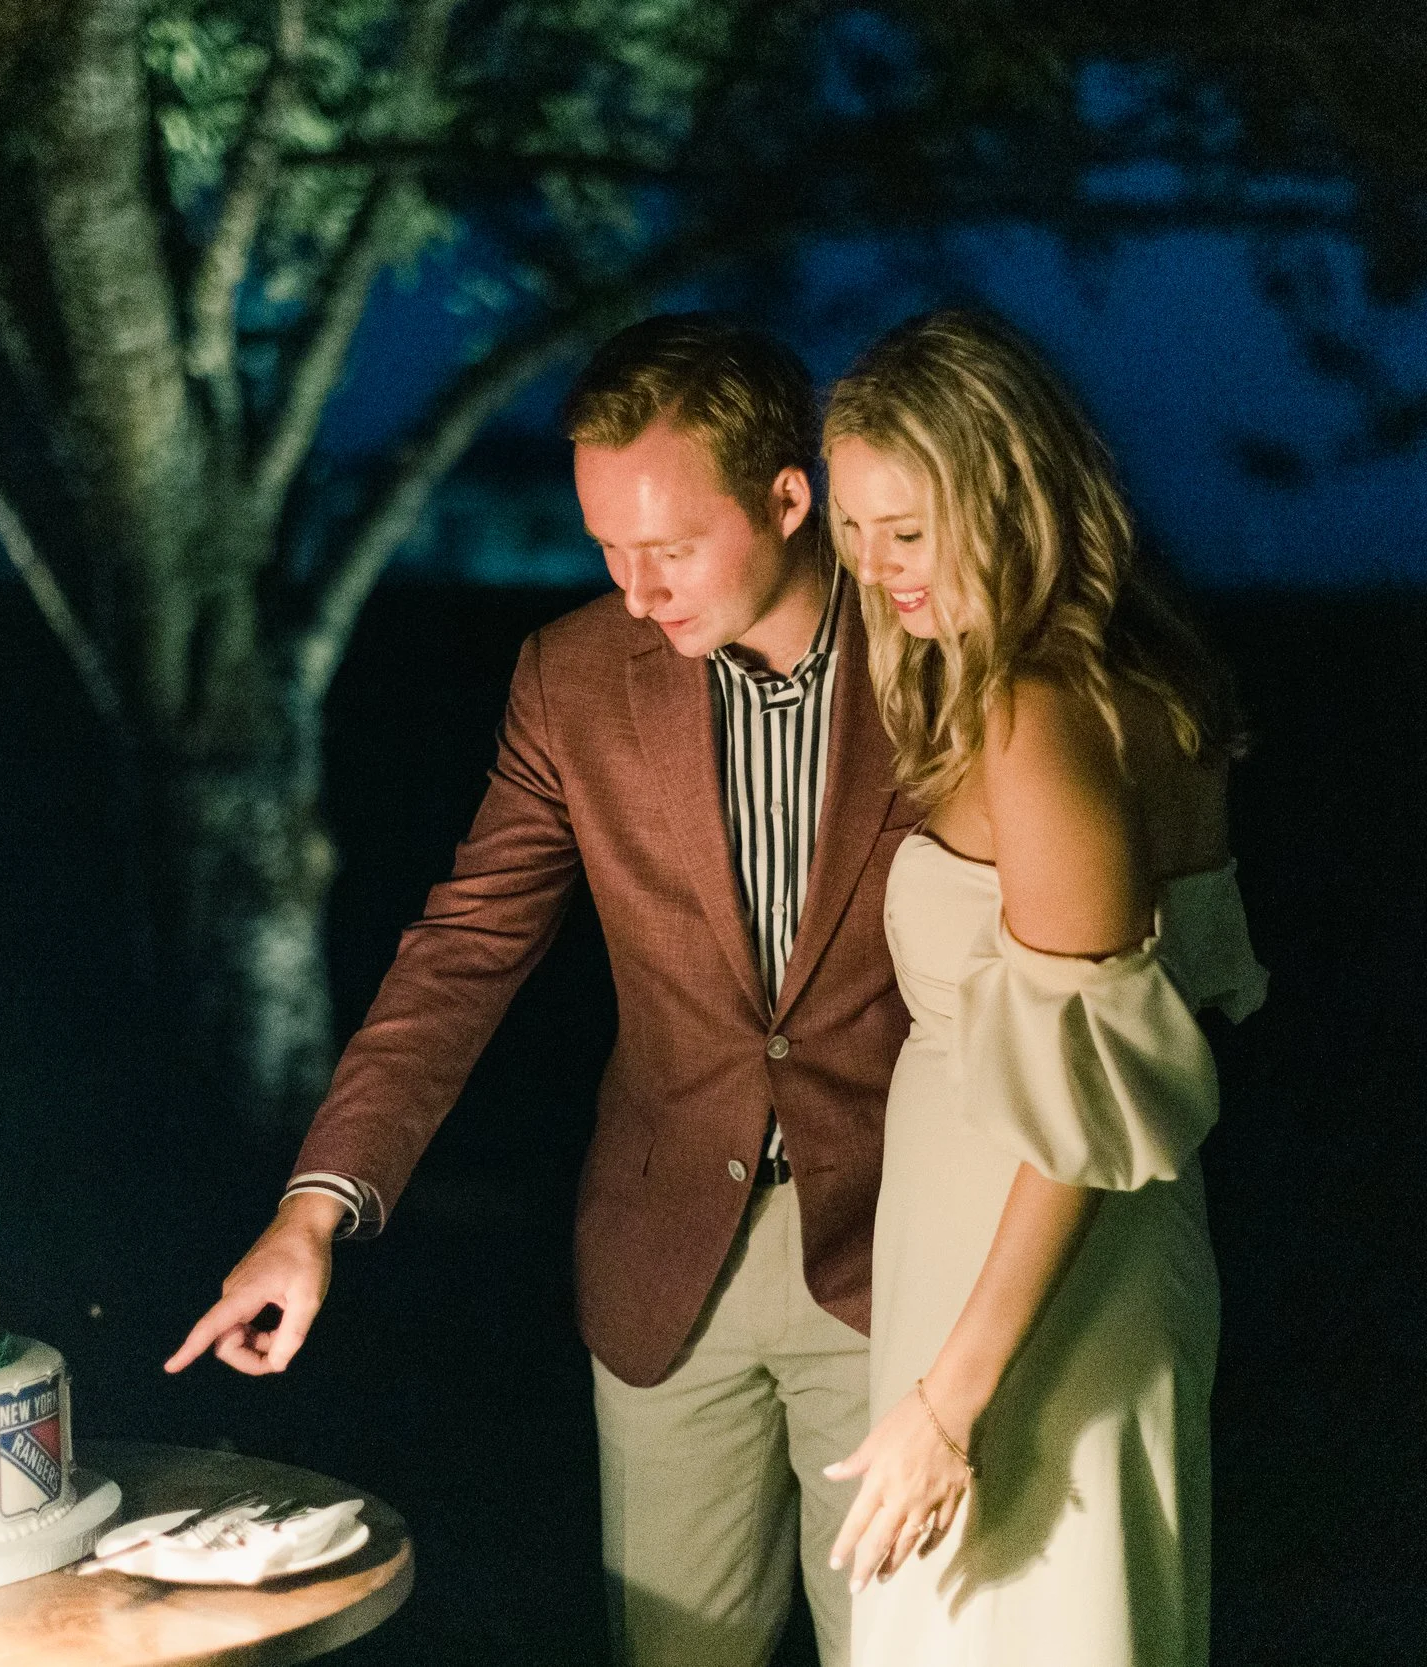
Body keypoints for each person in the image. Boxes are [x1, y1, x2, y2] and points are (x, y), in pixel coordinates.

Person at [166, 314, 924, 1667]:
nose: (635, 592)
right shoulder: (571, 680)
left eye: (670, 549)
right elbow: (463, 950)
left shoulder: (935, 650)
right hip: (663, 1269)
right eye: (607, 549)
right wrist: (314, 1208)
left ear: (788, 497)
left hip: (903, 1255)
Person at [817, 308, 1267, 1665]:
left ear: (1010, 499)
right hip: (982, 1260)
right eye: (851, 527)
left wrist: (949, 1403)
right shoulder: (1076, 678)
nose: (876, 567)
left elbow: (1084, 1120)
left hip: (1037, 1284)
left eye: (910, 530)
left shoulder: (1043, 703)